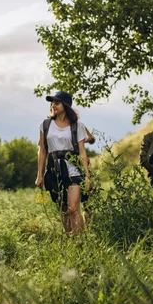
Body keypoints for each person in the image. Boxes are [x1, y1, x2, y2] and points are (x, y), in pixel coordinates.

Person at [35, 91, 90, 234]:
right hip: (54, 170)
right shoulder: (45, 125)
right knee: (64, 210)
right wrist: (39, 175)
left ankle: (80, 242)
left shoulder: (78, 126)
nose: (54, 105)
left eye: (57, 102)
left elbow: (82, 152)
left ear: (66, 105)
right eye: (52, 102)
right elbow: (42, 151)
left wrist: (87, 175)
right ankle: (70, 240)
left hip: (74, 170)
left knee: (73, 208)